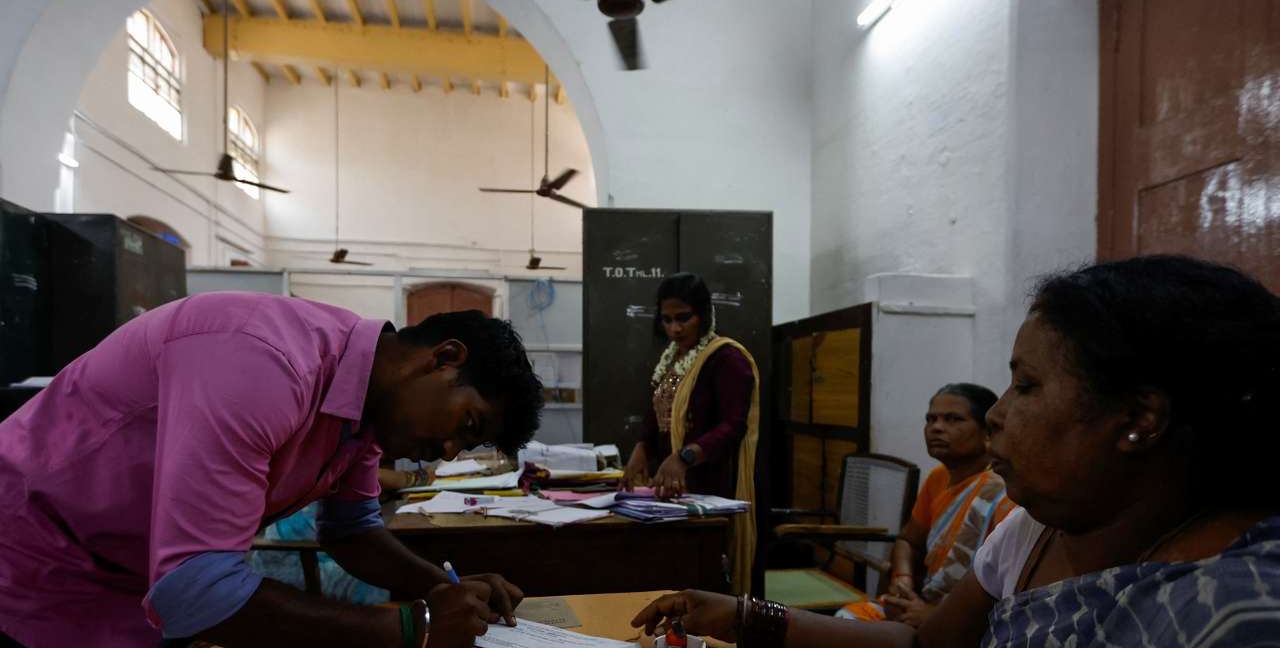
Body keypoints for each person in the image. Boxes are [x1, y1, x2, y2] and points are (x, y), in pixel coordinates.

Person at [630, 255, 1280, 647]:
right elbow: (923, 644)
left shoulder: (1230, 618)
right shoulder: (1033, 530)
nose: (998, 413)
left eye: (1026, 385)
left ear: (1138, 420)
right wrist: (746, 616)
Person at [0, 293, 544, 648]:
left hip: (130, 577)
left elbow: (350, 530)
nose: (448, 452)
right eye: (467, 424)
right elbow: (195, 590)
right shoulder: (265, 363)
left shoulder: (365, 413)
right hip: (35, 556)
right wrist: (413, 627)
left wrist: (445, 587)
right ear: (443, 358)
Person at [620, 272, 761, 593]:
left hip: (712, 487)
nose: (675, 328)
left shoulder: (727, 358)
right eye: (667, 320)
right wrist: (641, 447)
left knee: (703, 579)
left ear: (704, 314)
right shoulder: (673, 359)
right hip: (672, 487)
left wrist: (684, 457)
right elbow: (657, 410)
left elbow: (733, 425)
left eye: (684, 318)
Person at [838, 383, 1014, 626]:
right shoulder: (938, 478)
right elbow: (908, 540)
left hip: (966, 625)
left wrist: (933, 616)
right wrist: (902, 577)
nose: (936, 428)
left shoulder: (1004, 492)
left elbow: (1005, 589)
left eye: (953, 419)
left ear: (988, 432)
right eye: (931, 419)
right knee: (847, 620)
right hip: (917, 604)